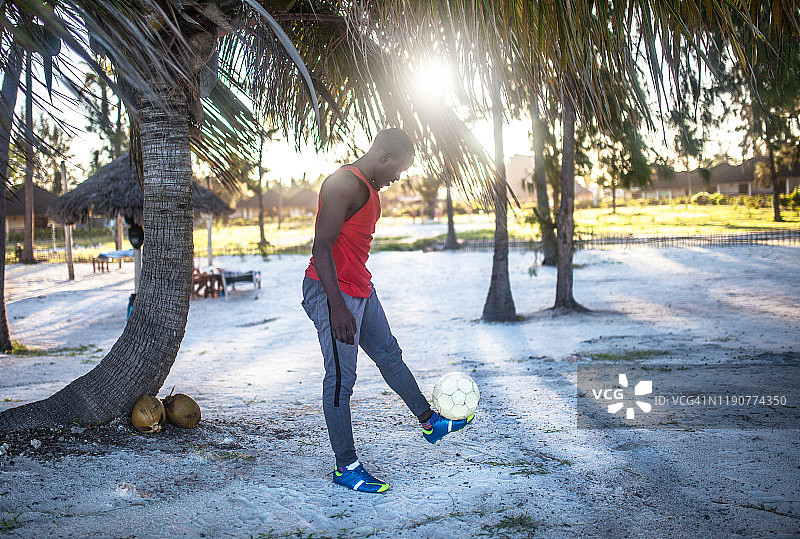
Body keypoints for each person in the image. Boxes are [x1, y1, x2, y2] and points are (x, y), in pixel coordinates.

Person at [301, 128, 474, 493]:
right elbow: (321, 247)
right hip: (332, 292)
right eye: (397, 170)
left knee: (390, 357)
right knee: (340, 380)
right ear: (383, 157)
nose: (397, 178)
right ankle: (346, 466)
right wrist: (337, 308)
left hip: (360, 287)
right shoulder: (344, 184)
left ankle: (430, 423)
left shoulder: (370, 188)